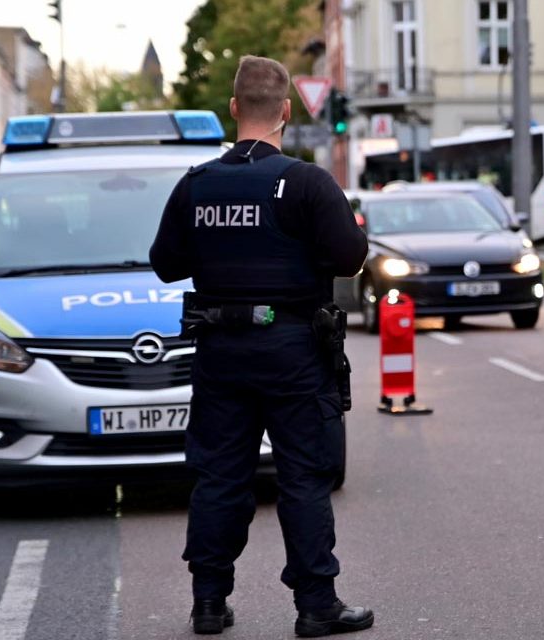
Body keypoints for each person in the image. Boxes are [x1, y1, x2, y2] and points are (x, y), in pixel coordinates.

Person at [149, 55, 373, 638]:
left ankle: (208, 602)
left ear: (232, 109)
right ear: (286, 112)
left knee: (220, 475)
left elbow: (165, 264)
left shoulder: (196, 185)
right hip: (294, 350)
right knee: (303, 475)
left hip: (221, 351)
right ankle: (316, 605)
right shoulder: (304, 183)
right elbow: (351, 257)